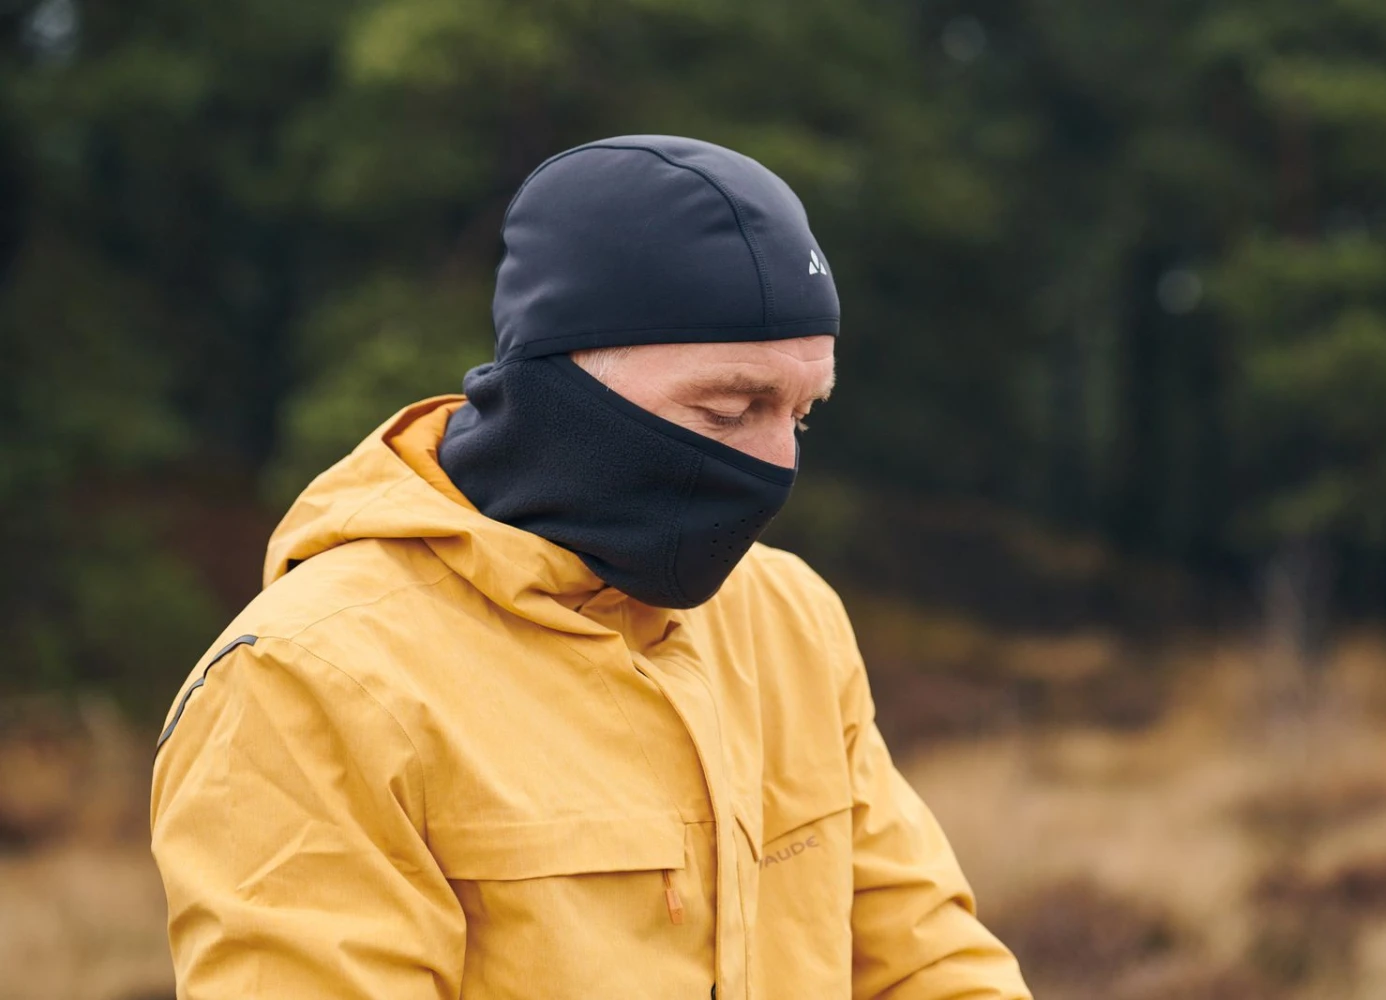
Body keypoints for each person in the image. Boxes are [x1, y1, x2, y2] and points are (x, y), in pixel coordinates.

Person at [150, 135, 1031, 999]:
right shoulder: (304, 685)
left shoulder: (788, 615)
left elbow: (928, 964)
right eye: (730, 410)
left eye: (802, 415)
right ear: (561, 388)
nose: (777, 463)